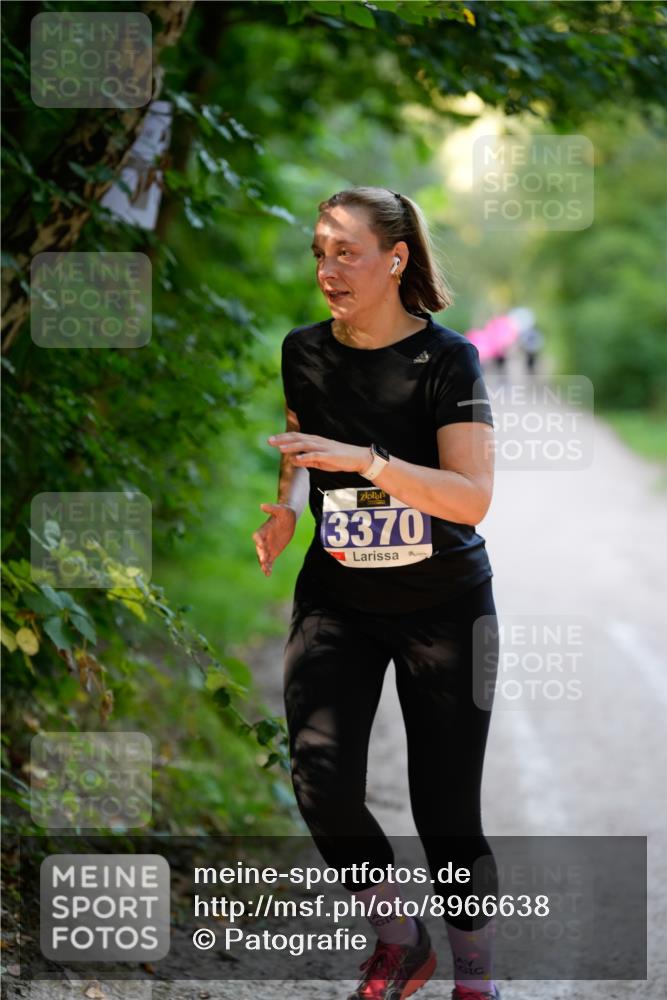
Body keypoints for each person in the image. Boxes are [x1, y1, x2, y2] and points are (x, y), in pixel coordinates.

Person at [253, 186, 501, 1000]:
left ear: (394, 260)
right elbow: (300, 442)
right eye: (318, 251)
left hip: (445, 607)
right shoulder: (303, 349)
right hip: (339, 601)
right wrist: (288, 508)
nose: (326, 269)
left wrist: (366, 462)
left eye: (344, 252)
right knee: (320, 782)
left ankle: (474, 980)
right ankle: (400, 938)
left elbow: (470, 498)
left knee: (446, 813)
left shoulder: (446, 359)